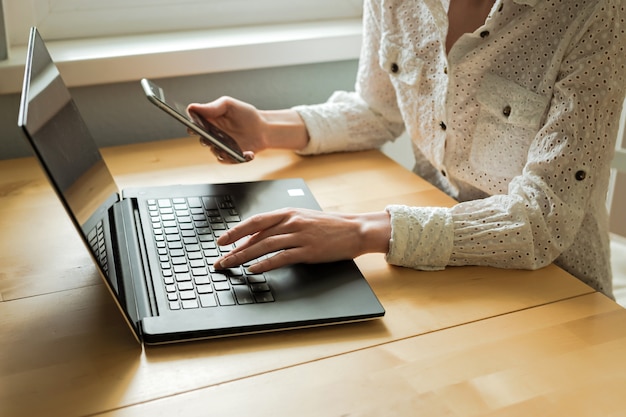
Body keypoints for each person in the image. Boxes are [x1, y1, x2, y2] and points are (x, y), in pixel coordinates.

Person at [187, 0, 626, 298]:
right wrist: (267, 128)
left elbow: (542, 221)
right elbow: (378, 110)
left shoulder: (595, 12)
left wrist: (361, 231)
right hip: (430, 262)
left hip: (554, 288)